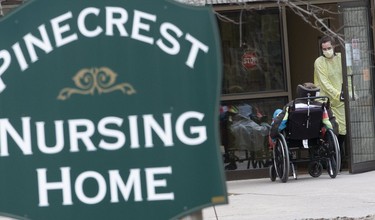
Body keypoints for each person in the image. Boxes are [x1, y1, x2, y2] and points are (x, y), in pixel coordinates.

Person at [314, 36, 346, 168]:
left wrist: (350, 91)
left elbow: (347, 75)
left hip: (341, 100)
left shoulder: (340, 59)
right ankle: (331, 159)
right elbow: (324, 83)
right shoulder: (319, 62)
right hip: (325, 100)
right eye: (324, 49)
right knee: (331, 129)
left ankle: (337, 156)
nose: (326, 51)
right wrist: (338, 94)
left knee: (343, 130)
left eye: (329, 48)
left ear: (334, 47)